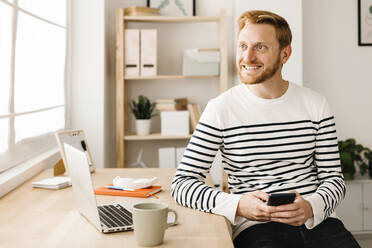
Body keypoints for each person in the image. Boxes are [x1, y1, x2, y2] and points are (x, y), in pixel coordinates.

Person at [171, 10, 360, 248]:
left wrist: (311, 206)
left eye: (260, 47)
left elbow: (333, 179)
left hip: (318, 223)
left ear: (285, 54)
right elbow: (182, 184)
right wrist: (238, 205)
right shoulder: (220, 109)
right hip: (257, 229)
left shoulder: (316, 104)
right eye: (242, 46)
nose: (247, 57)